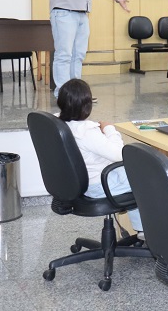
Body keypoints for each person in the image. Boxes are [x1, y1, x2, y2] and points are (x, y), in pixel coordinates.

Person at [56, 79, 143, 236]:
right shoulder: (87, 132)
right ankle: (146, 231)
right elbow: (119, 154)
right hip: (100, 185)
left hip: (78, 184)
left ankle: (141, 229)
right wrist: (110, 129)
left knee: (133, 174)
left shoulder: (58, 123)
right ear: (87, 106)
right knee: (147, 179)